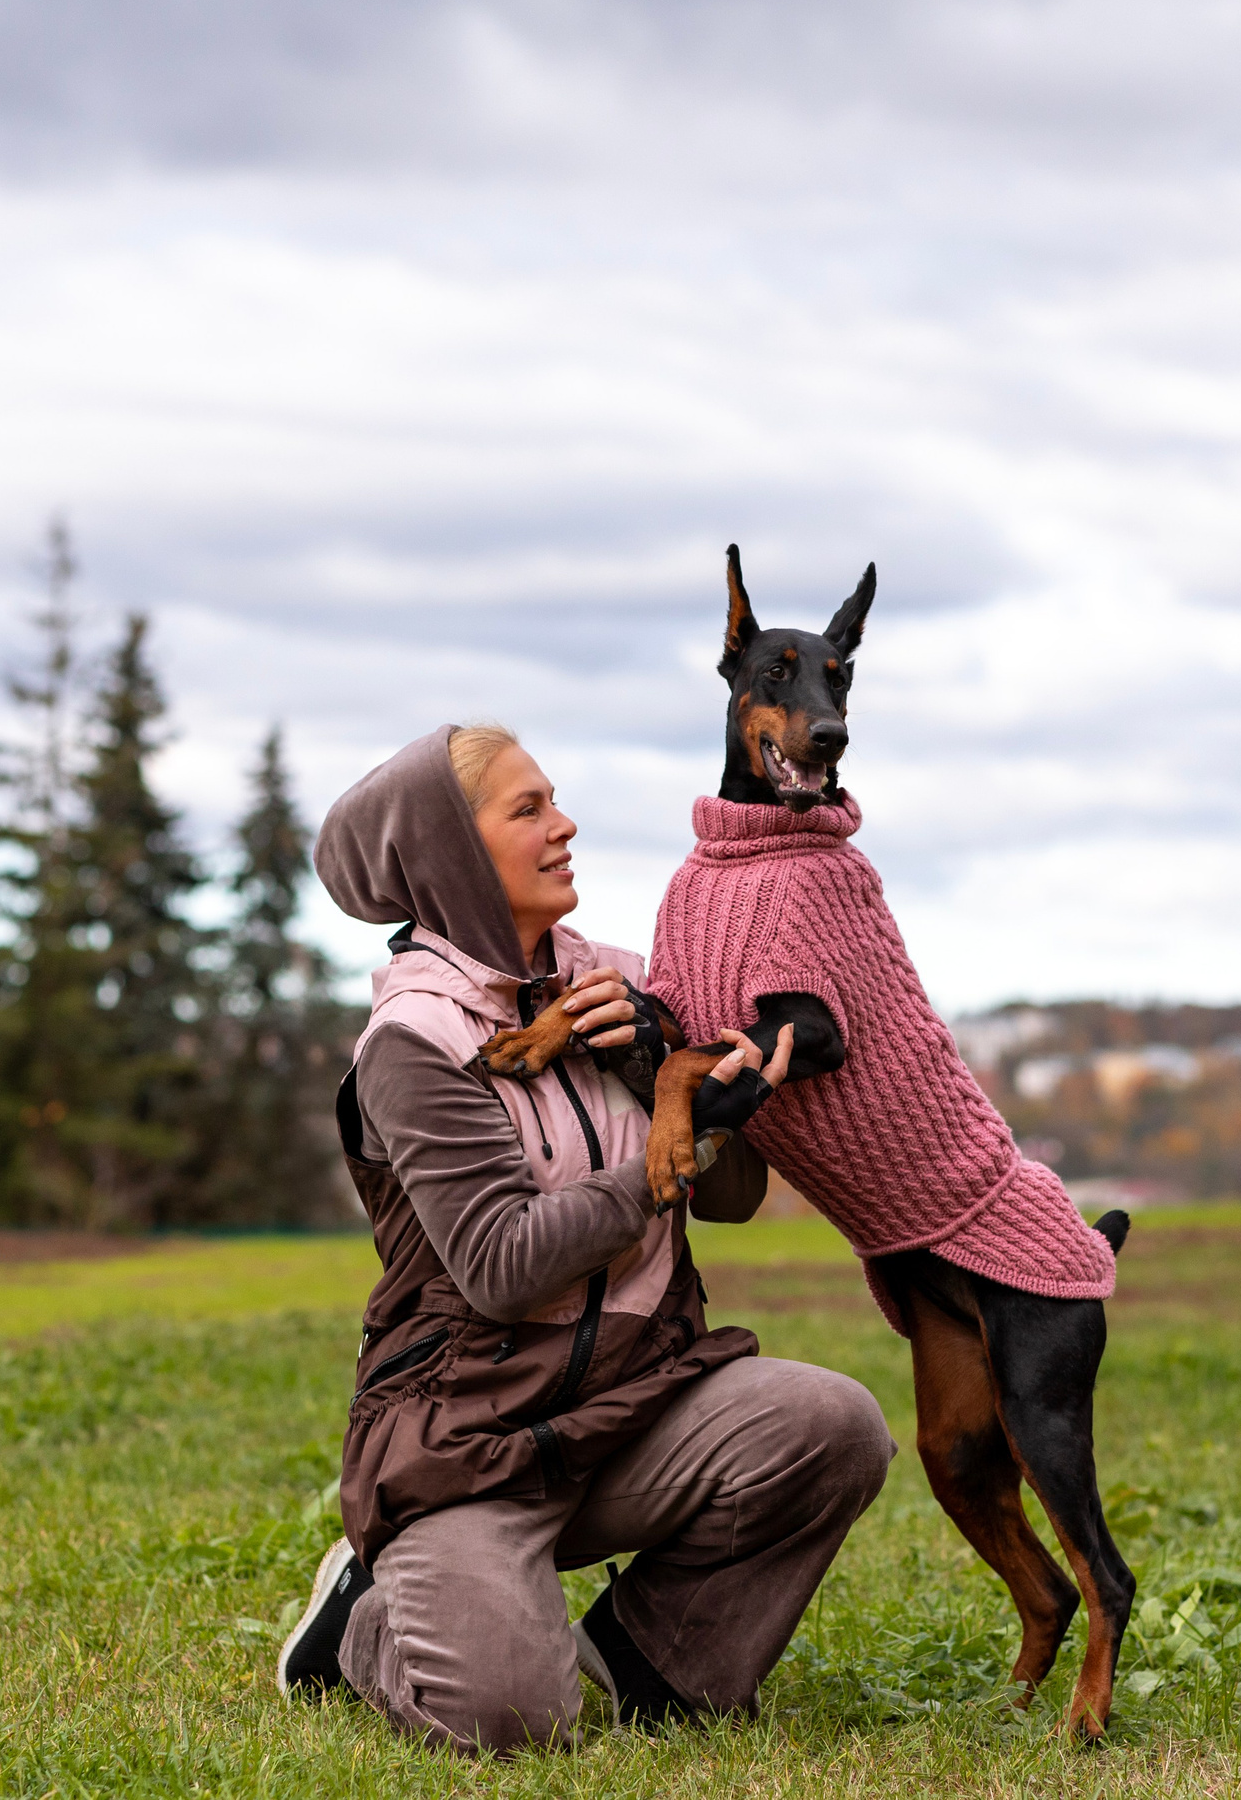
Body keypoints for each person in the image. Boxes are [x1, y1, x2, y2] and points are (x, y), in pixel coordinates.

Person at [279, 722, 894, 1754]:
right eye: (527, 811)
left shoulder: (623, 985)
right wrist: (663, 1154)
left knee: (831, 1426)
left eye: (553, 800)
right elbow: (501, 1265)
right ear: (449, 856)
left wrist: (697, 1091)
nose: (564, 827)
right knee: (510, 1721)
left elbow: (731, 1196)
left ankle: (649, 1669)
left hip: (630, 1403)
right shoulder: (415, 1042)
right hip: (467, 1437)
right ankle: (367, 1618)